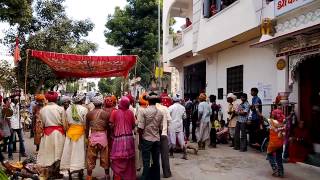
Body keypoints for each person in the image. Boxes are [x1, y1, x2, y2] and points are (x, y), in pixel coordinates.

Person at [37, 91, 67, 179]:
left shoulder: (43, 110)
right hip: (59, 134)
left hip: (47, 134)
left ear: (47, 99)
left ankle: (48, 173)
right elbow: (65, 124)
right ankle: (56, 172)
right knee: (58, 153)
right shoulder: (61, 109)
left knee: (48, 154)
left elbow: (40, 124)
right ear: (56, 99)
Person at [60, 93, 88, 176]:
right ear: (81, 100)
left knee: (69, 152)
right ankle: (80, 171)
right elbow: (85, 123)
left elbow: (66, 122)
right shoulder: (84, 109)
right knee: (79, 153)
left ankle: (69, 170)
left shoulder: (68, 109)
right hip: (80, 134)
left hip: (70, 133)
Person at [138, 92, 163, 180]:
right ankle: (156, 178)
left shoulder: (144, 111)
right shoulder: (160, 112)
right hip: (156, 139)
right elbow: (160, 129)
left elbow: (140, 128)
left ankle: (145, 177)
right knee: (156, 161)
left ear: (148, 100)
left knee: (146, 161)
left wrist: (140, 142)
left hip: (146, 139)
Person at [85, 94, 111, 180]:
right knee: (105, 158)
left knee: (90, 159)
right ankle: (107, 176)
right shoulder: (106, 114)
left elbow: (87, 128)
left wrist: (86, 139)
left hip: (93, 138)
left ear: (93, 103)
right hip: (103, 137)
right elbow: (108, 128)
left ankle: (89, 177)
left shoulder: (89, 114)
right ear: (102, 103)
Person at [110, 96, 136, 180]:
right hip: (129, 138)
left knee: (118, 159)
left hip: (118, 138)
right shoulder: (131, 113)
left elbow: (111, 125)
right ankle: (129, 177)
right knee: (128, 159)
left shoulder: (115, 112)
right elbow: (133, 125)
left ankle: (118, 176)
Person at [267, 107, 286, 177]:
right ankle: (281, 172)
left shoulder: (272, 122)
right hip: (280, 143)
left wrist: (257, 109)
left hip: (273, 143)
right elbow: (284, 134)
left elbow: (262, 116)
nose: (271, 114)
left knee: (269, 154)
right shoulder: (283, 123)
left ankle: (275, 168)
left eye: (272, 114)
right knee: (279, 157)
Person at [157, 96, 172, 178]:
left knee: (154, 156)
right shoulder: (165, 108)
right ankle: (167, 173)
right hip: (163, 133)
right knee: (165, 155)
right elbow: (169, 120)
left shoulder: (150, 108)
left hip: (153, 134)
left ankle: (155, 174)